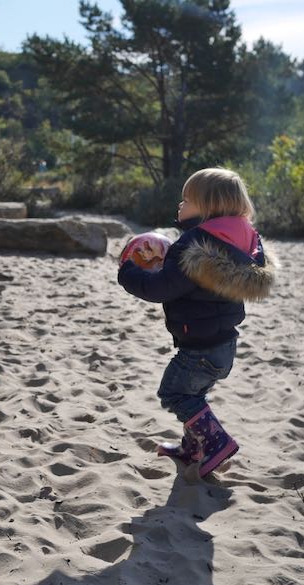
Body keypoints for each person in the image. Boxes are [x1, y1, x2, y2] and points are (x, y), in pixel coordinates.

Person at [117, 167, 278, 478]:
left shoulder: (194, 246)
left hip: (198, 350)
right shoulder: (241, 243)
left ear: (208, 207)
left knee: (174, 393)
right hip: (224, 345)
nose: (180, 206)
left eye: (186, 199)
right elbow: (194, 283)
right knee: (194, 396)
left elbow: (161, 288)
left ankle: (215, 443)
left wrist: (129, 273)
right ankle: (195, 448)